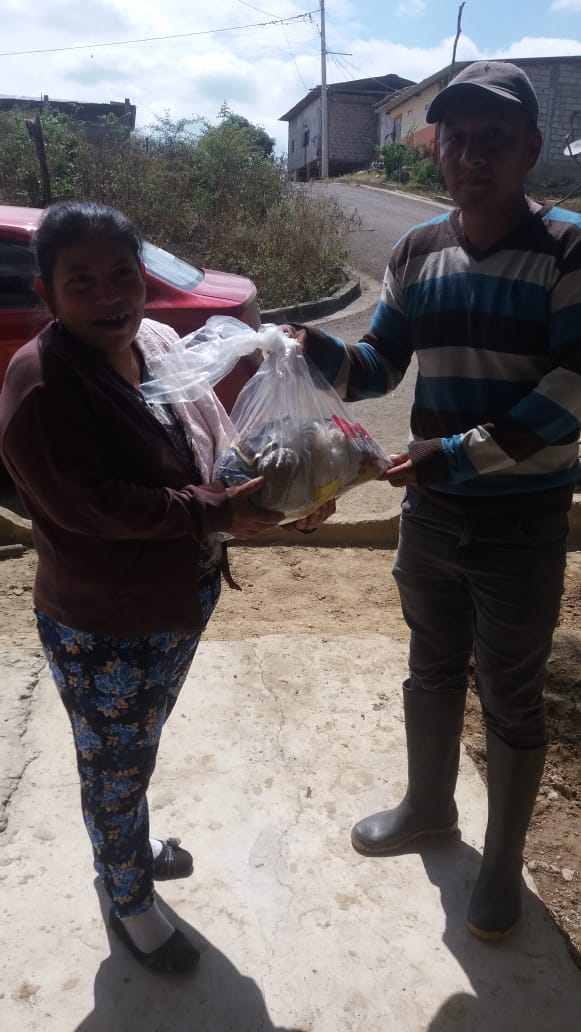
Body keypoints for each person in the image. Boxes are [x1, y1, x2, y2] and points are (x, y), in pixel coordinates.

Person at [284, 61, 581, 940]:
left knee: (511, 691)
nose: (472, 155)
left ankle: (500, 865)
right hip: (434, 514)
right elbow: (378, 365)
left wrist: (453, 456)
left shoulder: (567, 248)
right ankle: (427, 808)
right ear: (434, 148)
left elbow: (571, 389)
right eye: (456, 139)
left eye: (494, 139)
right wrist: (310, 349)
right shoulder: (417, 251)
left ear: (529, 148)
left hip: (522, 518)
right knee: (431, 664)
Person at [0, 200, 334, 975]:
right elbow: (91, 506)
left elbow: (209, 447)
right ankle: (127, 897)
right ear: (46, 294)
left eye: (122, 274)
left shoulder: (152, 344)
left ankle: (129, 842)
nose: (108, 296)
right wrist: (219, 511)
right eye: (81, 281)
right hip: (104, 622)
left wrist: (287, 494)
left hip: (176, 596)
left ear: (144, 280)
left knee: (134, 749)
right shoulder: (43, 384)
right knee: (113, 762)